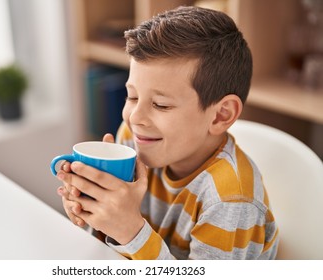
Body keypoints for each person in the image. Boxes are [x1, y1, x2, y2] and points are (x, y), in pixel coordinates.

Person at [56, 6, 279, 260]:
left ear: (221, 115)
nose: (136, 117)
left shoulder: (231, 200)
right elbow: (112, 248)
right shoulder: (134, 140)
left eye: (160, 105)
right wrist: (92, 213)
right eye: (132, 96)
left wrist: (131, 231)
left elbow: (131, 239)